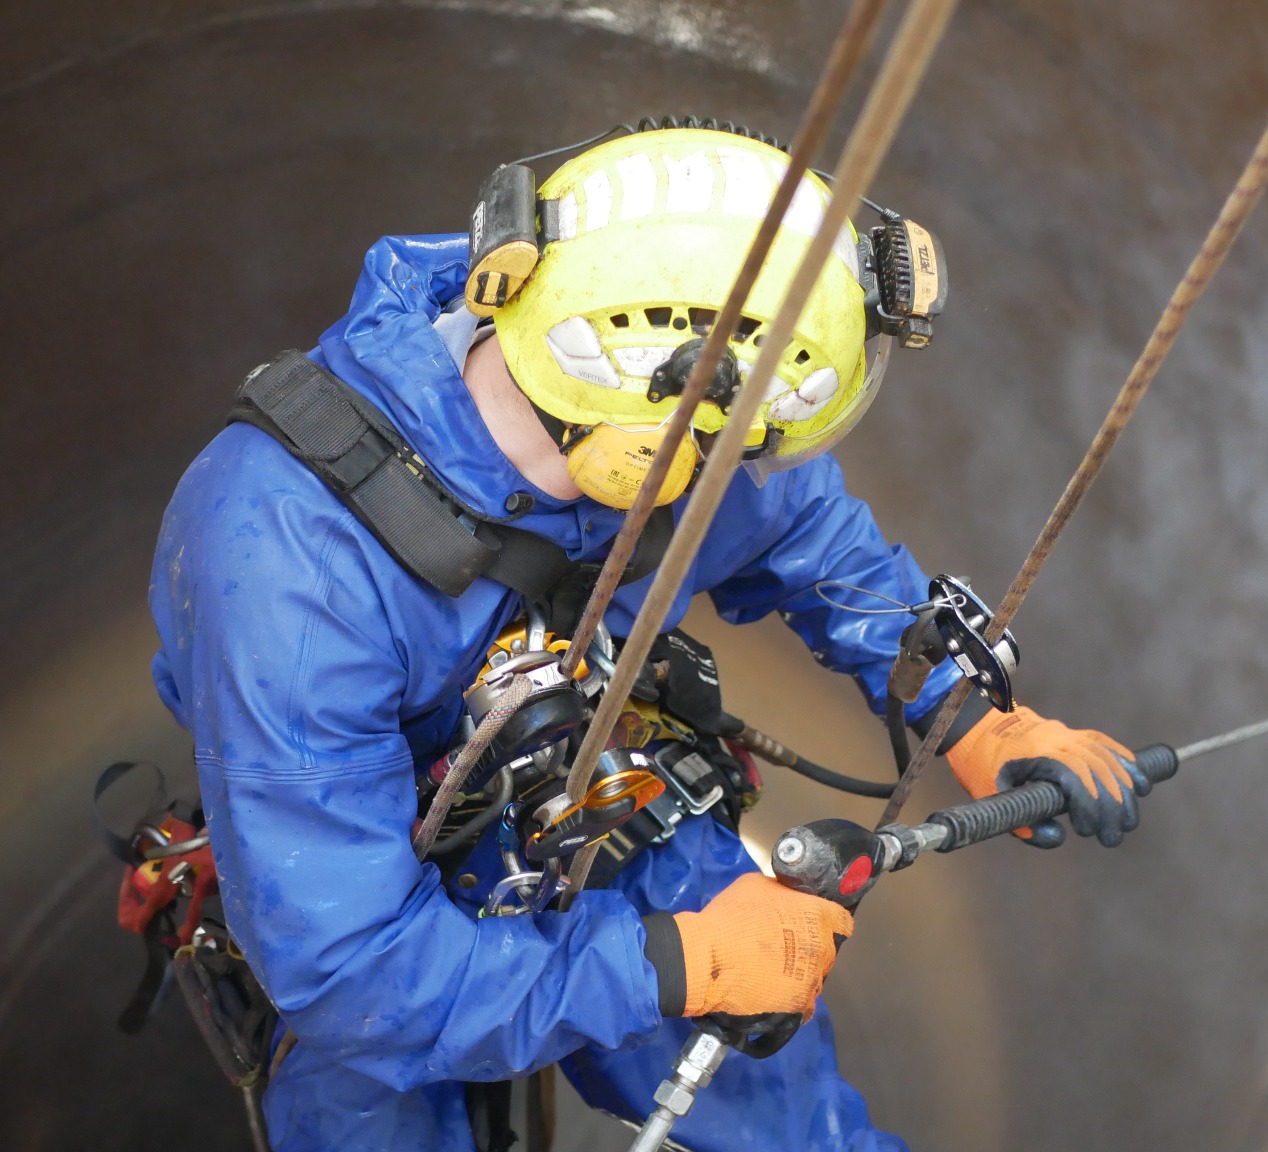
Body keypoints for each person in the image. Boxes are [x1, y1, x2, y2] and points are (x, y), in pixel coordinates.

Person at [147, 124, 1148, 1152]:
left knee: (790, 1117)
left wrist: (972, 715)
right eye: (735, 440)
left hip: (587, 801)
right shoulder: (285, 555)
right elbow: (349, 971)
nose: (745, 464)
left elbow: (805, 531)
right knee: (365, 1101)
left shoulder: (657, 399)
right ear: (643, 437)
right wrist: (675, 965)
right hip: (345, 870)